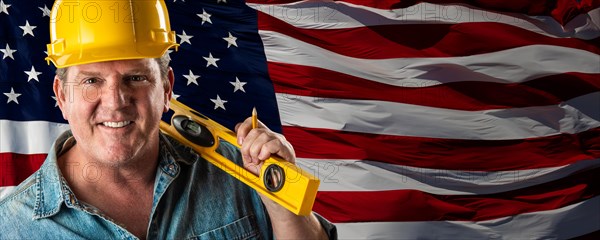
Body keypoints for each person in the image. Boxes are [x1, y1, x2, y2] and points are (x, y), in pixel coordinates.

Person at [0, 0, 336, 239]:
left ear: (167, 89)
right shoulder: (13, 227)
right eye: (92, 81)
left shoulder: (242, 171)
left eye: (136, 78)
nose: (116, 102)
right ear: (61, 95)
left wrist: (281, 201)